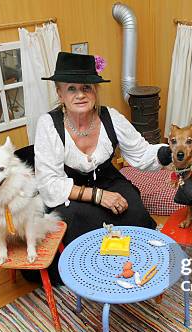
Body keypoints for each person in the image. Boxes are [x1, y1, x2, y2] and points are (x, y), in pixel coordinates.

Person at [32, 52, 172, 282]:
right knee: (79, 221)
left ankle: (138, 266)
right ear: (60, 93)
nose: (80, 95)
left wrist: (171, 153)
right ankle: (96, 276)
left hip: (107, 179)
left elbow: (141, 153)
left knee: (133, 207)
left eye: (86, 88)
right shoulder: (48, 124)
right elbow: (49, 185)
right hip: (69, 192)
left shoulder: (111, 117)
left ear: (95, 90)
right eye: (71, 89)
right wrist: (99, 196)